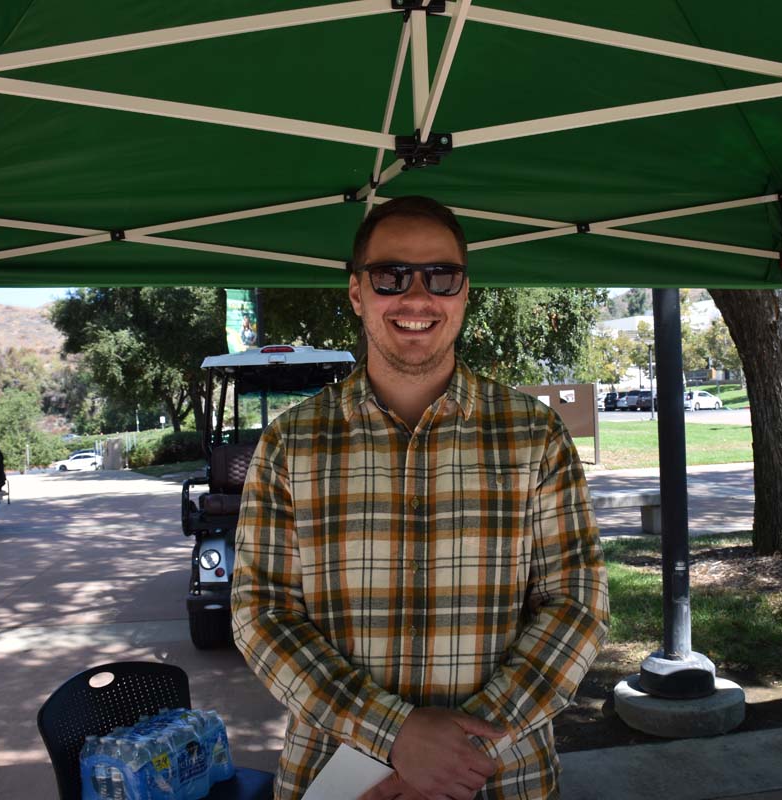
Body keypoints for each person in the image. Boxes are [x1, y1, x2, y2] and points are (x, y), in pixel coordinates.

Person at [231, 196, 608, 799]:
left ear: (463, 291)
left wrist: (461, 753)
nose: (416, 296)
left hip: (500, 780)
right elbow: (261, 615)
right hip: (336, 781)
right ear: (357, 293)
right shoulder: (289, 444)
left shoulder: (534, 434)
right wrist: (397, 737)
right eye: (390, 276)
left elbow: (578, 605)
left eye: (441, 275)